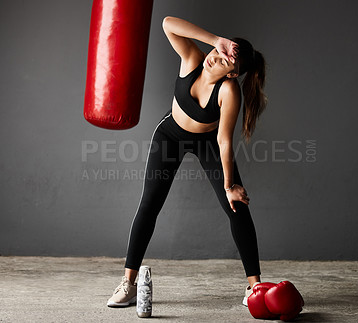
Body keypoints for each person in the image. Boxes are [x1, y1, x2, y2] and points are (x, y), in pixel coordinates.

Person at [107, 16, 268, 308]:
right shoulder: (193, 58)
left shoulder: (229, 92)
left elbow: (223, 140)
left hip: (208, 143)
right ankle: (128, 284)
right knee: (149, 204)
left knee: (236, 207)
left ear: (232, 74)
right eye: (218, 52)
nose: (215, 60)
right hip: (170, 135)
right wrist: (215, 40)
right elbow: (168, 23)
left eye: (223, 62)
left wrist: (230, 185)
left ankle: (254, 289)